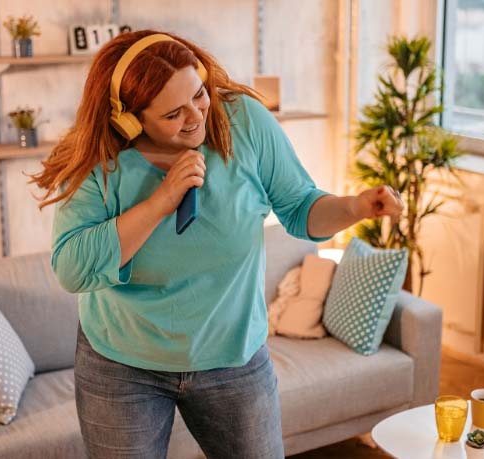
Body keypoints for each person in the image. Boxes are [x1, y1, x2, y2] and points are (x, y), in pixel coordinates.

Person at [28, 29, 404, 459]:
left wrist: (354, 207)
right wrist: (161, 201)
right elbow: (72, 269)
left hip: (232, 356)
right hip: (123, 364)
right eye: (173, 113)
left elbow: (301, 208)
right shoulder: (99, 160)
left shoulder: (243, 122)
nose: (196, 117)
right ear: (130, 120)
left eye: (199, 94)